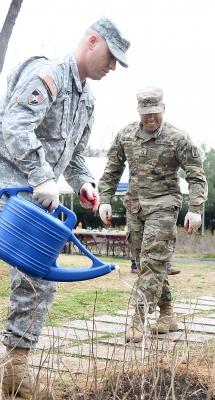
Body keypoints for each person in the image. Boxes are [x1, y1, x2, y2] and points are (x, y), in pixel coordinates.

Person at [0, 16, 130, 399]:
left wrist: (83, 182)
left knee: (38, 280)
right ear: (92, 41)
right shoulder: (47, 74)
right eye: (111, 57)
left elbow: (75, 152)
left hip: (35, 197)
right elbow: (16, 124)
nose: (112, 67)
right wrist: (41, 174)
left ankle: (14, 370)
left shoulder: (87, 99)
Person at [98, 87, 207, 343]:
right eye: (145, 114)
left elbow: (196, 175)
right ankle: (167, 314)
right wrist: (104, 199)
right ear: (138, 111)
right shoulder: (126, 135)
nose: (150, 119)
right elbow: (112, 169)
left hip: (164, 206)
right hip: (135, 207)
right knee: (147, 264)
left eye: (155, 113)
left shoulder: (177, 138)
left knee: (151, 261)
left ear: (163, 109)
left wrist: (195, 208)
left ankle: (138, 319)